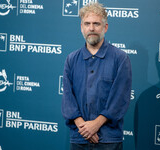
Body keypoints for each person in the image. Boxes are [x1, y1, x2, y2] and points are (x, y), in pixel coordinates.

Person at [62, 2, 132, 150]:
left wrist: (96, 124)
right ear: (81, 27)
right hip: (79, 137)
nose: (91, 28)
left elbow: (119, 99)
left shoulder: (120, 58)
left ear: (105, 27)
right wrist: (85, 128)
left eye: (96, 24)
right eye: (87, 24)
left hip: (109, 140)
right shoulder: (71, 59)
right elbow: (68, 98)